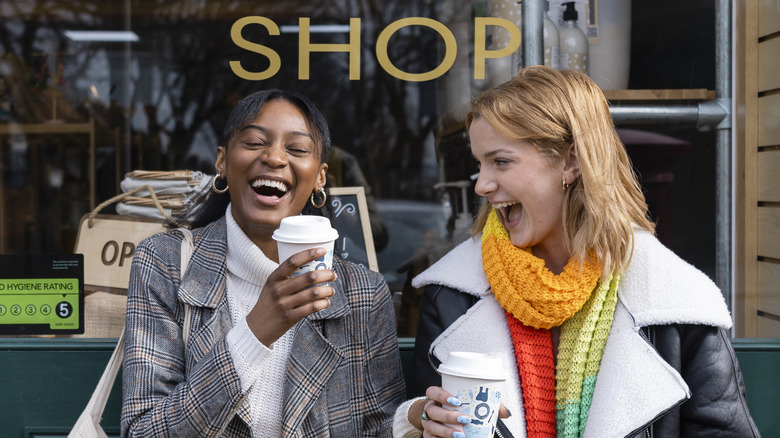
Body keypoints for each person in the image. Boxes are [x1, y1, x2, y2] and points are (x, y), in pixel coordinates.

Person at [392, 66, 759, 438]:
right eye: (479, 164)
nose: (481, 185)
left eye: (501, 161)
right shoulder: (452, 294)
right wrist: (424, 420)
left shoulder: (677, 301)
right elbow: (434, 414)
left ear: (570, 162)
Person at [121, 89, 406, 437]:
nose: (274, 157)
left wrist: (415, 420)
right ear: (222, 162)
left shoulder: (364, 294)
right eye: (255, 143)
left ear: (320, 177)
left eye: (297, 149)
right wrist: (256, 331)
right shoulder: (164, 263)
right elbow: (144, 431)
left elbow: (377, 429)